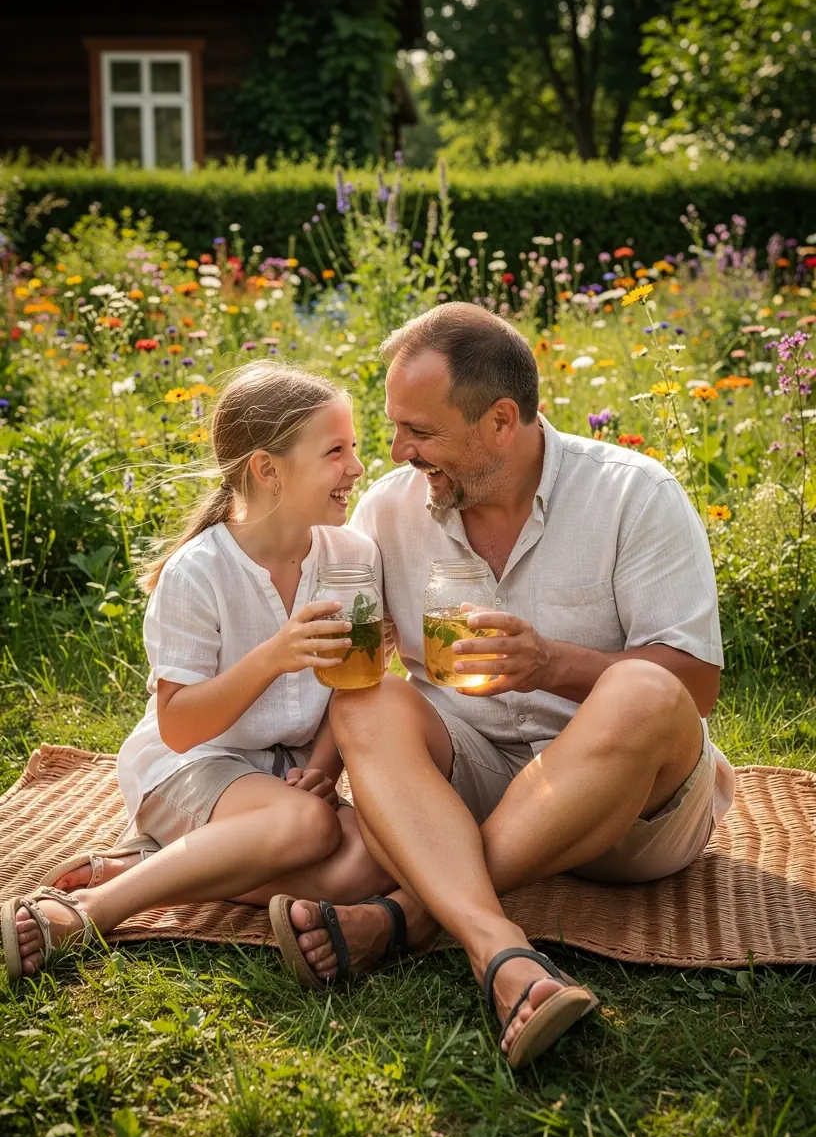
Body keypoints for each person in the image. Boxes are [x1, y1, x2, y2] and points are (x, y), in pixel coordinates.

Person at [272, 302, 736, 1070]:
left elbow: (698, 685)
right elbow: (356, 662)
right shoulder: (389, 510)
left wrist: (553, 665)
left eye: (420, 433)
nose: (398, 451)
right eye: (396, 429)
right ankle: (500, 952)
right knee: (371, 698)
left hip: (631, 810)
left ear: (500, 421)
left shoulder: (634, 494)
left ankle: (407, 917)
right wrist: (316, 774)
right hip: (469, 780)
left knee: (645, 689)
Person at [1, 360, 399, 981]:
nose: (356, 467)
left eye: (355, 448)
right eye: (335, 451)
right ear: (267, 469)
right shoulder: (199, 572)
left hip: (285, 776)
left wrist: (322, 769)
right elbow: (180, 727)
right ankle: (92, 911)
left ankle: (147, 867)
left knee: (374, 859)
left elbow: (357, 686)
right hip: (189, 764)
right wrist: (274, 655)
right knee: (307, 824)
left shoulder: (352, 556)